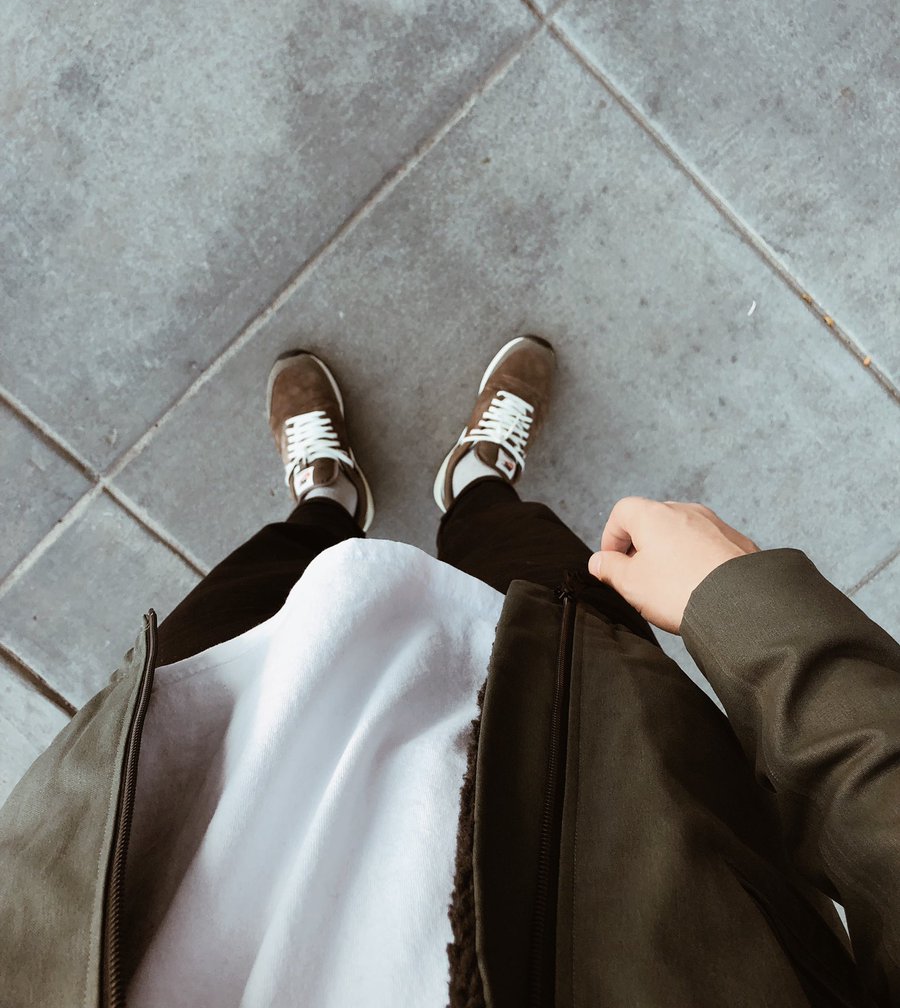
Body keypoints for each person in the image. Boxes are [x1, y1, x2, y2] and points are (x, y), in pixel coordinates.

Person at [0, 335, 898, 1008]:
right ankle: (477, 482)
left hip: (169, 813)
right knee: (522, 552)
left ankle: (327, 500)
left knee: (274, 580)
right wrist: (740, 608)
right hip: (602, 802)